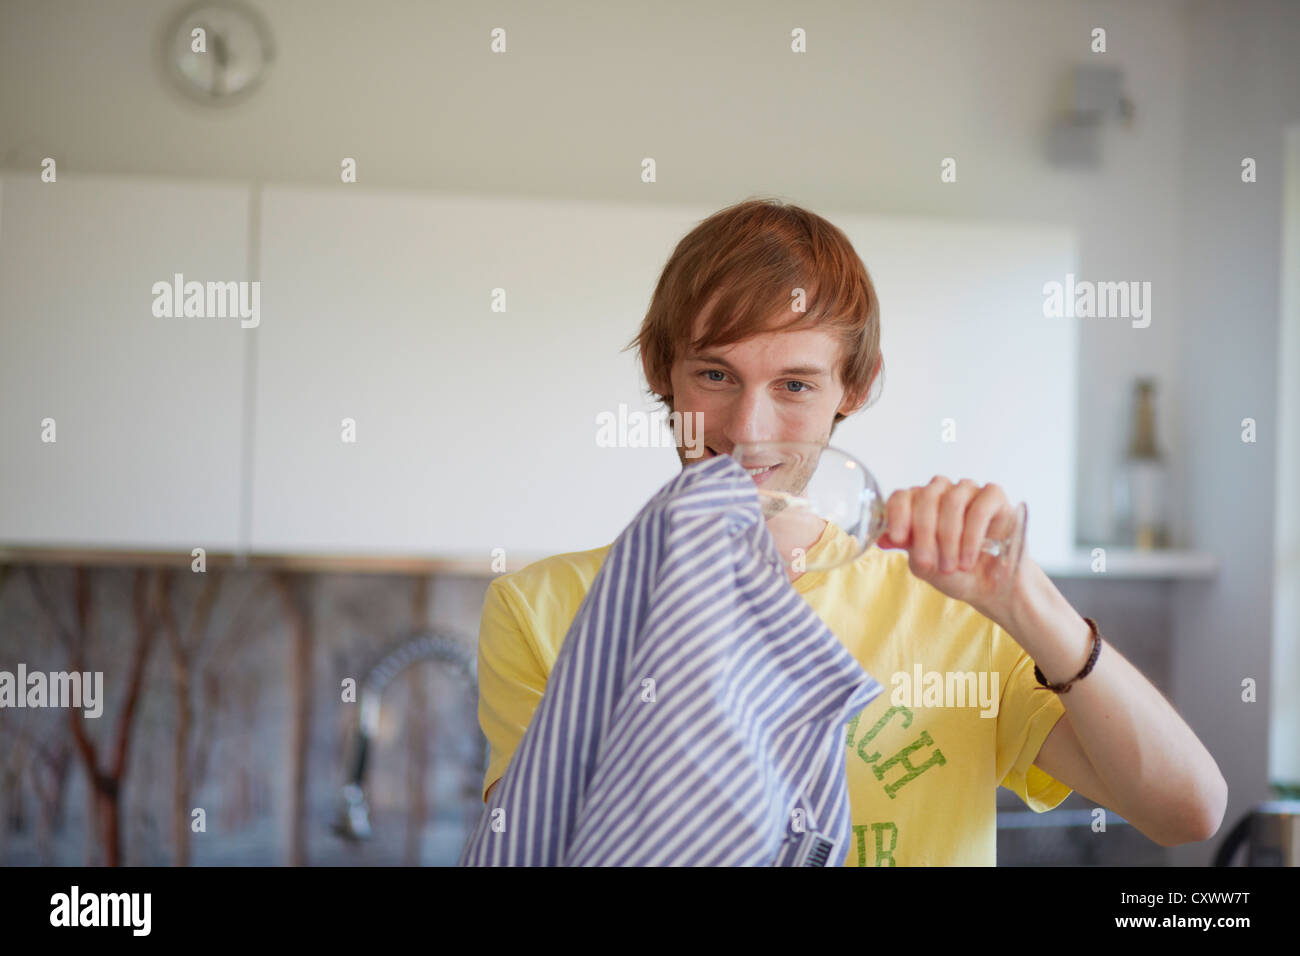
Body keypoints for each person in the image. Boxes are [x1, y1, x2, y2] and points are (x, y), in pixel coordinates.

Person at [474, 197, 1227, 865]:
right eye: (714, 375)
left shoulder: (956, 608)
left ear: (854, 390)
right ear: (660, 370)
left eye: (795, 385)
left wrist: (1026, 599)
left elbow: (1187, 812)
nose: (748, 429)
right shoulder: (540, 608)